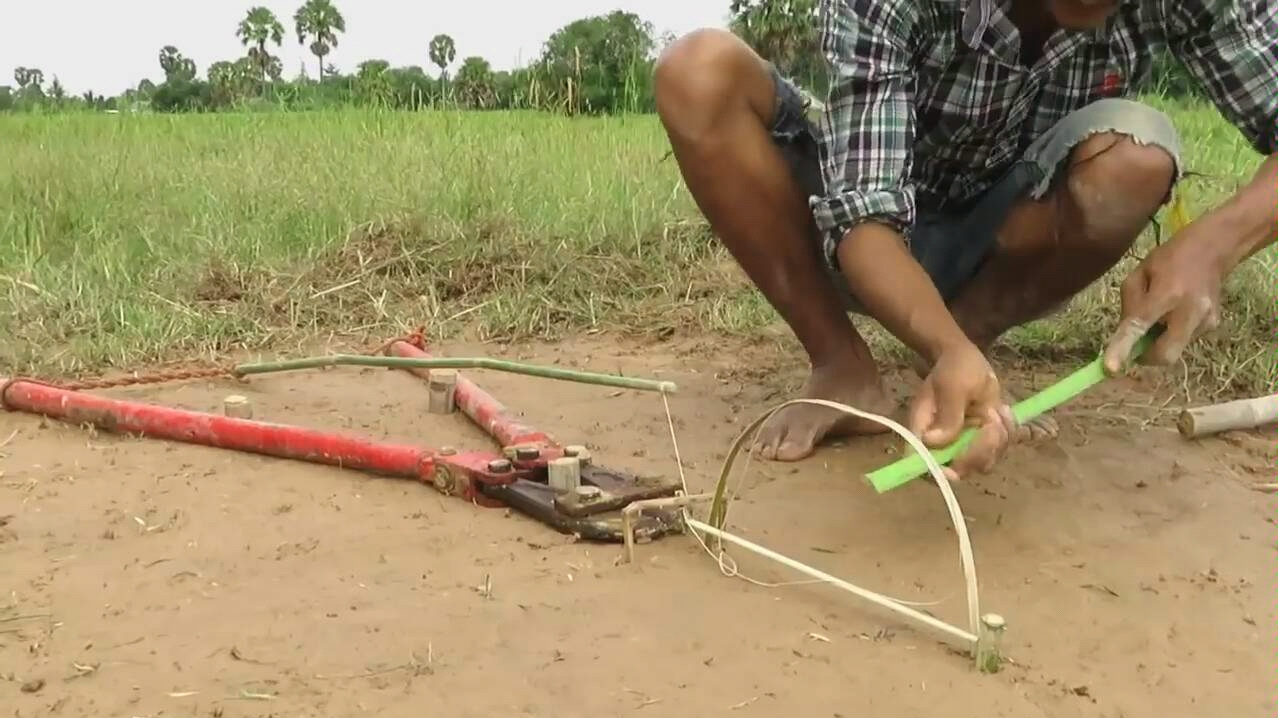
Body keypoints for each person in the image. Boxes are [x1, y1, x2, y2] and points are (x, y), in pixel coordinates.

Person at [653, 0, 1277, 479]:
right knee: (698, 71)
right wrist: (941, 341)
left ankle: (967, 351)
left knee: (1136, 157)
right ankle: (842, 365)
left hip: (999, 222)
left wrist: (1213, 244)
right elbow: (863, 213)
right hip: (849, 218)